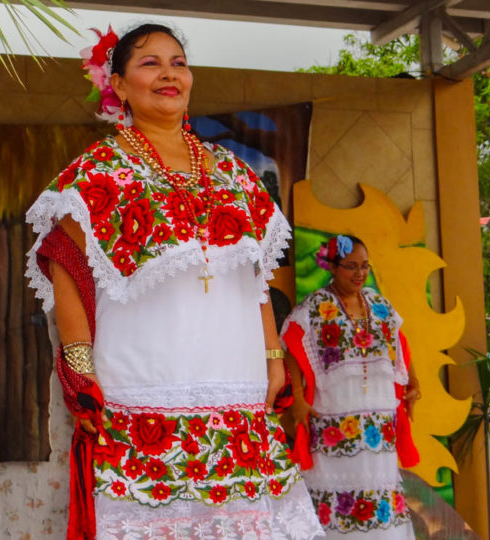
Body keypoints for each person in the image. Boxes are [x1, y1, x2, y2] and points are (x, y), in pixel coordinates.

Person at [25, 24, 322, 539]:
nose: (169, 73)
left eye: (178, 62)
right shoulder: (100, 171)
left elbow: (256, 279)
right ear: (116, 84)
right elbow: (63, 260)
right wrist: (79, 365)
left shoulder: (235, 173)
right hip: (143, 382)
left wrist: (273, 358)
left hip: (237, 382)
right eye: (150, 63)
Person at [279, 235, 420, 538]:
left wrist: (414, 382)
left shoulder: (380, 305)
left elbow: (401, 346)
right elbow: (291, 345)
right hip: (334, 418)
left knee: (381, 491)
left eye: (365, 266)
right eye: (351, 266)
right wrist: (299, 400)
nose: (359, 273)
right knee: (338, 496)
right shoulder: (316, 306)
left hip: (380, 419)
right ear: (332, 266)